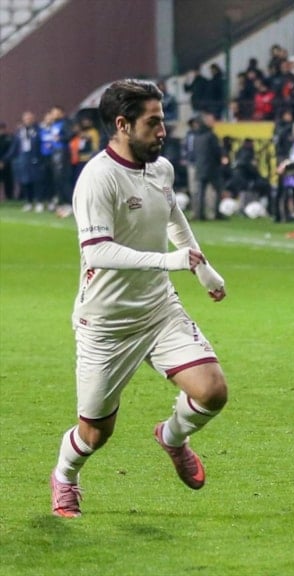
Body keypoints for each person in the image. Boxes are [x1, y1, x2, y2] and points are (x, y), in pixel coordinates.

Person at [50, 79, 228, 518]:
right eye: (153, 122)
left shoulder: (160, 168)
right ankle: (65, 476)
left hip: (158, 309)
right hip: (107, 322)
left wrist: (202, 268)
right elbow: (98, 252)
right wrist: (169, 261)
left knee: (212, 391)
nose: (163, 131)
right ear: (122, 124)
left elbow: (173, 215)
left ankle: (172, 436)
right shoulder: (98, 179)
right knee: (95, 433)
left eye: (162, 120)